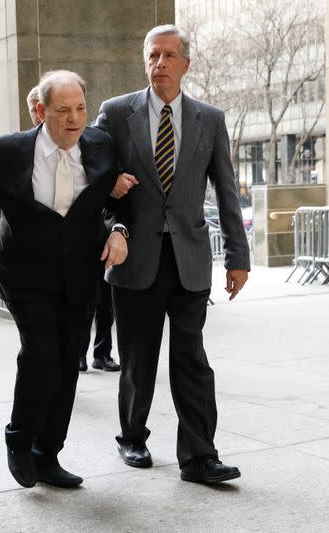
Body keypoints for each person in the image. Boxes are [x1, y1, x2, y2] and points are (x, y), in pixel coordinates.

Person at [0, 70, 129, 489]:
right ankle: (19, 439)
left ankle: (48, 455)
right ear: (40, 110)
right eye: (63, 110)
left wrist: (121, 231)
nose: (74, 119)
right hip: (24, 272)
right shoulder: (7, 151)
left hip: (81, 271)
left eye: (81, 109)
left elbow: (124, 196)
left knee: (70, 359)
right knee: (42, 352)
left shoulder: (101, 146)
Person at [93, 24, 250, 484]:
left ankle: (200, 456)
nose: (159, 64)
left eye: (168, 56)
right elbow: (92, 171)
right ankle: (133, 438)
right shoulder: (116, 113)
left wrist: (238, 256)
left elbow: (227, 191)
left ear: (185, 63)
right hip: (134, 255)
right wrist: (110, 194)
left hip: (189, 258)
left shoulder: (210, 119)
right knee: (138, 359)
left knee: (192, 359)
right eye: (152, 55)